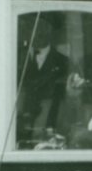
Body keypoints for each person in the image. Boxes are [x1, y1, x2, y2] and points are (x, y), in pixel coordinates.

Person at [17, 17, 69, 146]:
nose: (37, 32)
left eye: (43, 27)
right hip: (17, 125)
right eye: (32, 27)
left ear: (50, 31)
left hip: (48, 125)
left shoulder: (63, 62)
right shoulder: (13, 57)